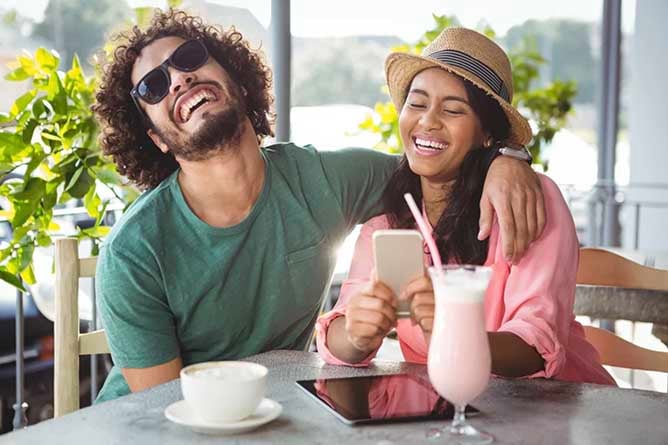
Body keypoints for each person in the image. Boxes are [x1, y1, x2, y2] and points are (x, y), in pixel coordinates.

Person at [92, 10, 547, 402]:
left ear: (238, 81)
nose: (178, 79)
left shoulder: (323, 179)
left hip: (282, 413)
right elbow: (163, 410)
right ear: (156, 140)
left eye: (188, 59)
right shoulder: (134, 251)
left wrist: (506, 157)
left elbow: (439, 163)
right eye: (152, 87)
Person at [317, 27, 615, 385]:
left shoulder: (528, 201)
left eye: (454, 110)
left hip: (559, 409)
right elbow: (337, 336)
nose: (427, 120)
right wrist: (355, 334)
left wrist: (456, 332)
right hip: (453, 411)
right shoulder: (385, 228)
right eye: (417, 103)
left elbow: (537, 344)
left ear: (487, 133)